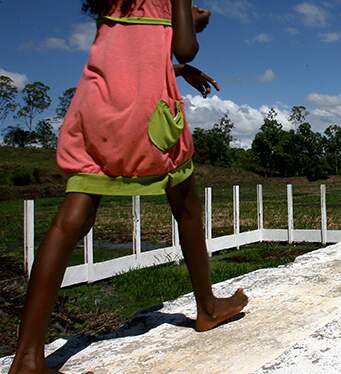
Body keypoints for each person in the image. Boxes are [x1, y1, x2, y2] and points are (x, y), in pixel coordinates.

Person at [9, 1, 248, 372]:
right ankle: (208, 307)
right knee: (185, 203)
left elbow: (129, 58)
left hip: (96, 106)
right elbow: (184, 45)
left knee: (71, 218)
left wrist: (178, 71)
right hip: (146, 111)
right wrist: (191, 18)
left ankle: (26, 357)